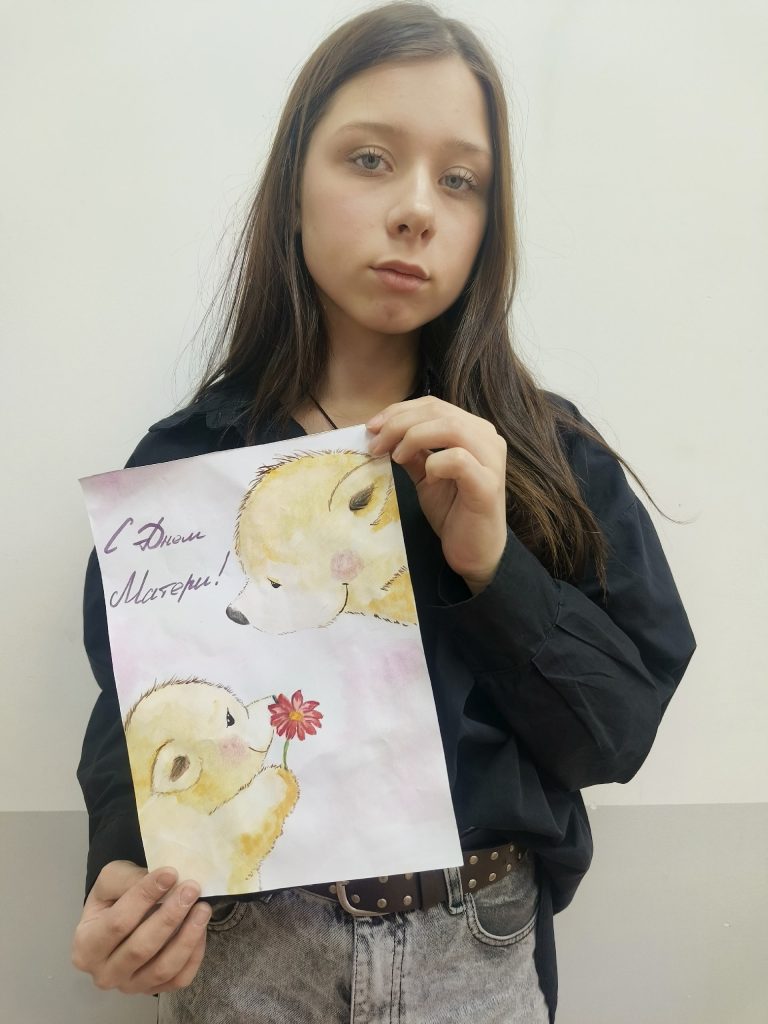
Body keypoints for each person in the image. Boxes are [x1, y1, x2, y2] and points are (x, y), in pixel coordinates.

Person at [70, 3, 697, 1021]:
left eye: (461, 180)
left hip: (475, 949)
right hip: (252, 951)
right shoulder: (186, 468)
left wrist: (495, 568)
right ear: (293, 186)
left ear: (489, 223)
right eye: (370, 159)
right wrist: (119, 864)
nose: (415, 210)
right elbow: (136, 709)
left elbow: (615, 735)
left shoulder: (547, 458)